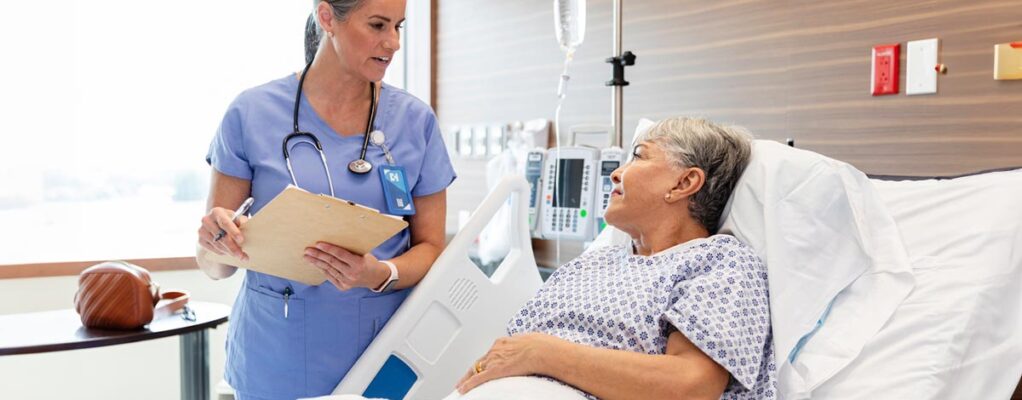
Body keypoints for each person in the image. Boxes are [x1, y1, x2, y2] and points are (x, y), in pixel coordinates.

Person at [195, 0, 456, 399]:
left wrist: (379, 273)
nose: (394, 42)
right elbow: (215, 264)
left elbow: (433, 247)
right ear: (327, 17)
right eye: (378, 25)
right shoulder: (251, 113)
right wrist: (215, 243)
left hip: (385, 355)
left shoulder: (414, 121)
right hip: (275, 359)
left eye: (399, 26)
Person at [453, 117, 776, 399]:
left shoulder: (719, 262)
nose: (617, 173)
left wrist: (542, 353)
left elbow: (691, 386)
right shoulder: (592, 263)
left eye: (638, 157)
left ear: (684, 183)